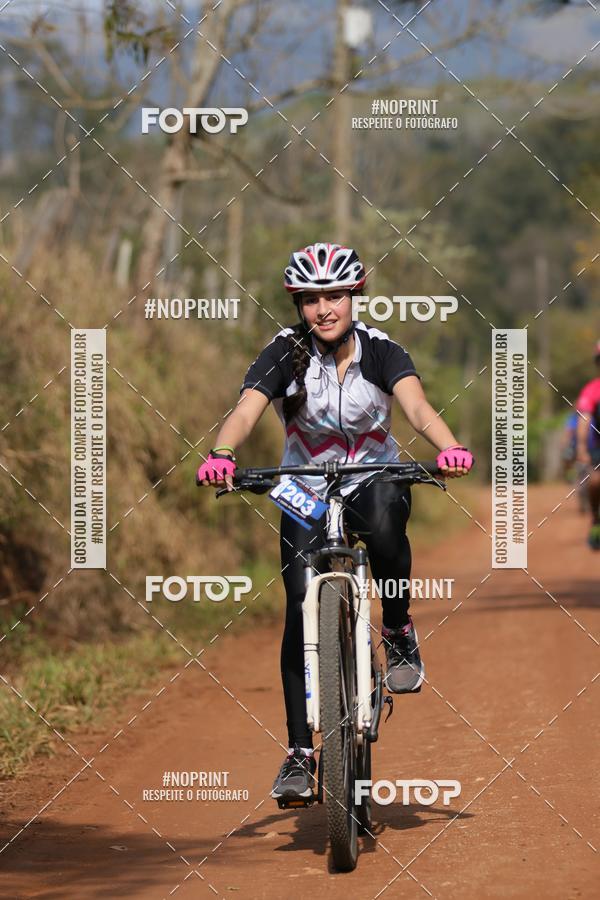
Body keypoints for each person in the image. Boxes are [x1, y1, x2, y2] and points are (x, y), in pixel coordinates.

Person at [196, 243, 474, 801]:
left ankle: (396, 630)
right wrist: (223, 453)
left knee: (386, 523)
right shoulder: (283, 353)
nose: (324, 309)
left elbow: (417, 407)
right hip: (302, 482)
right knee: (299, 604)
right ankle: (300, 751)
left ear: (354, 297)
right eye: (311, 299)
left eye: (335, 296)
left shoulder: (382, 351)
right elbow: (248, 408)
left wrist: (447, 447)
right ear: (298, 305)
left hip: (373, 473)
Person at [575, 341, 600, 549]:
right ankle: (595, 519)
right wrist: (582, 447)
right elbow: (584, 420)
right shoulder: (592, 390)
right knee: (594, 483)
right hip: (598, 448)